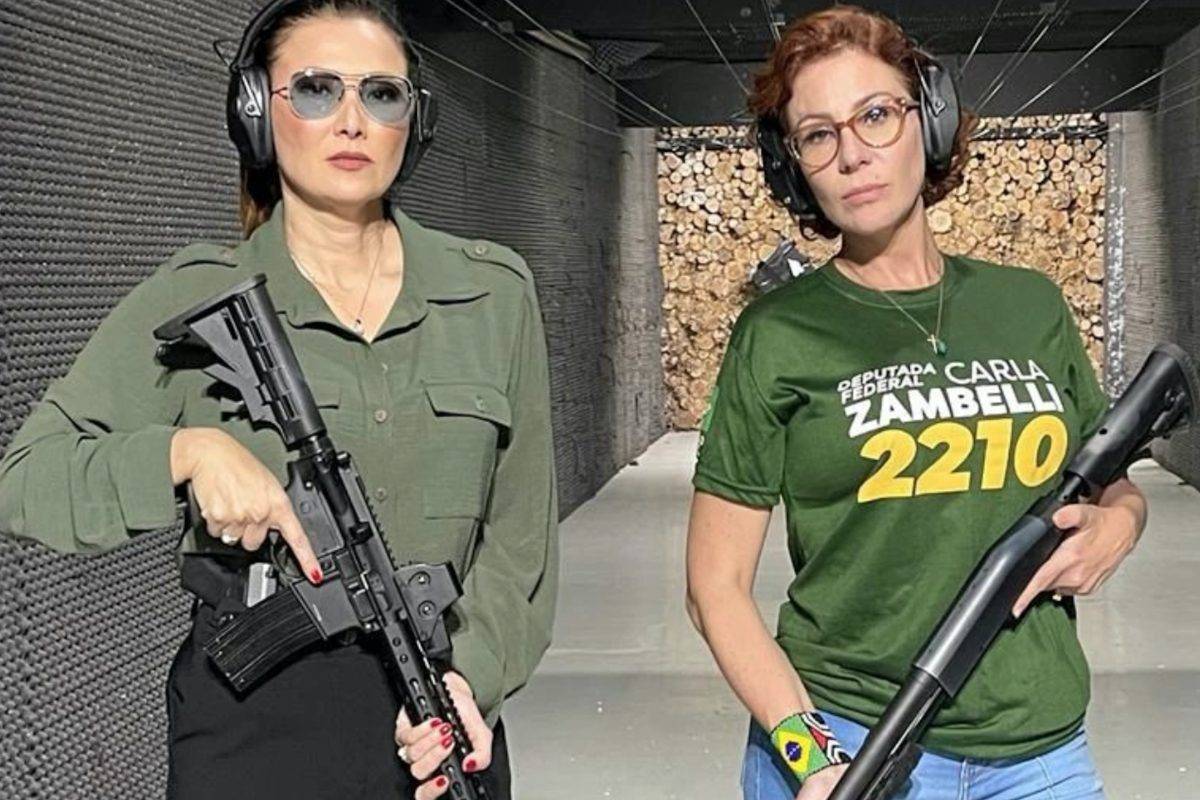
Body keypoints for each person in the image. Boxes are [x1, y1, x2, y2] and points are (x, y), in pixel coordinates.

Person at [0, 1, 558, 798]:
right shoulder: (198, 296)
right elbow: (24, 476)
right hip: (255, 722)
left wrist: (472, 680)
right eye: (317, 90)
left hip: (439, 713)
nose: (353, 121)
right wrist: (185, 453)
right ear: (258, 111)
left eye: (382, 94)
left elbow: (521, 541)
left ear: (416, 122)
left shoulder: (492, 293)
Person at [685, 6, 1147, 800]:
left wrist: (1121, 525)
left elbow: (1112, 478)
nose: (852, 155)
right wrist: (810, 754)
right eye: (818, 135)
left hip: (1038, 746)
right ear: (794, 166)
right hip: (852, 741)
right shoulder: (779, 335)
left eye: (876, 115)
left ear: (927, 121)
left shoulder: (1027, 306)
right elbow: (713, 588)